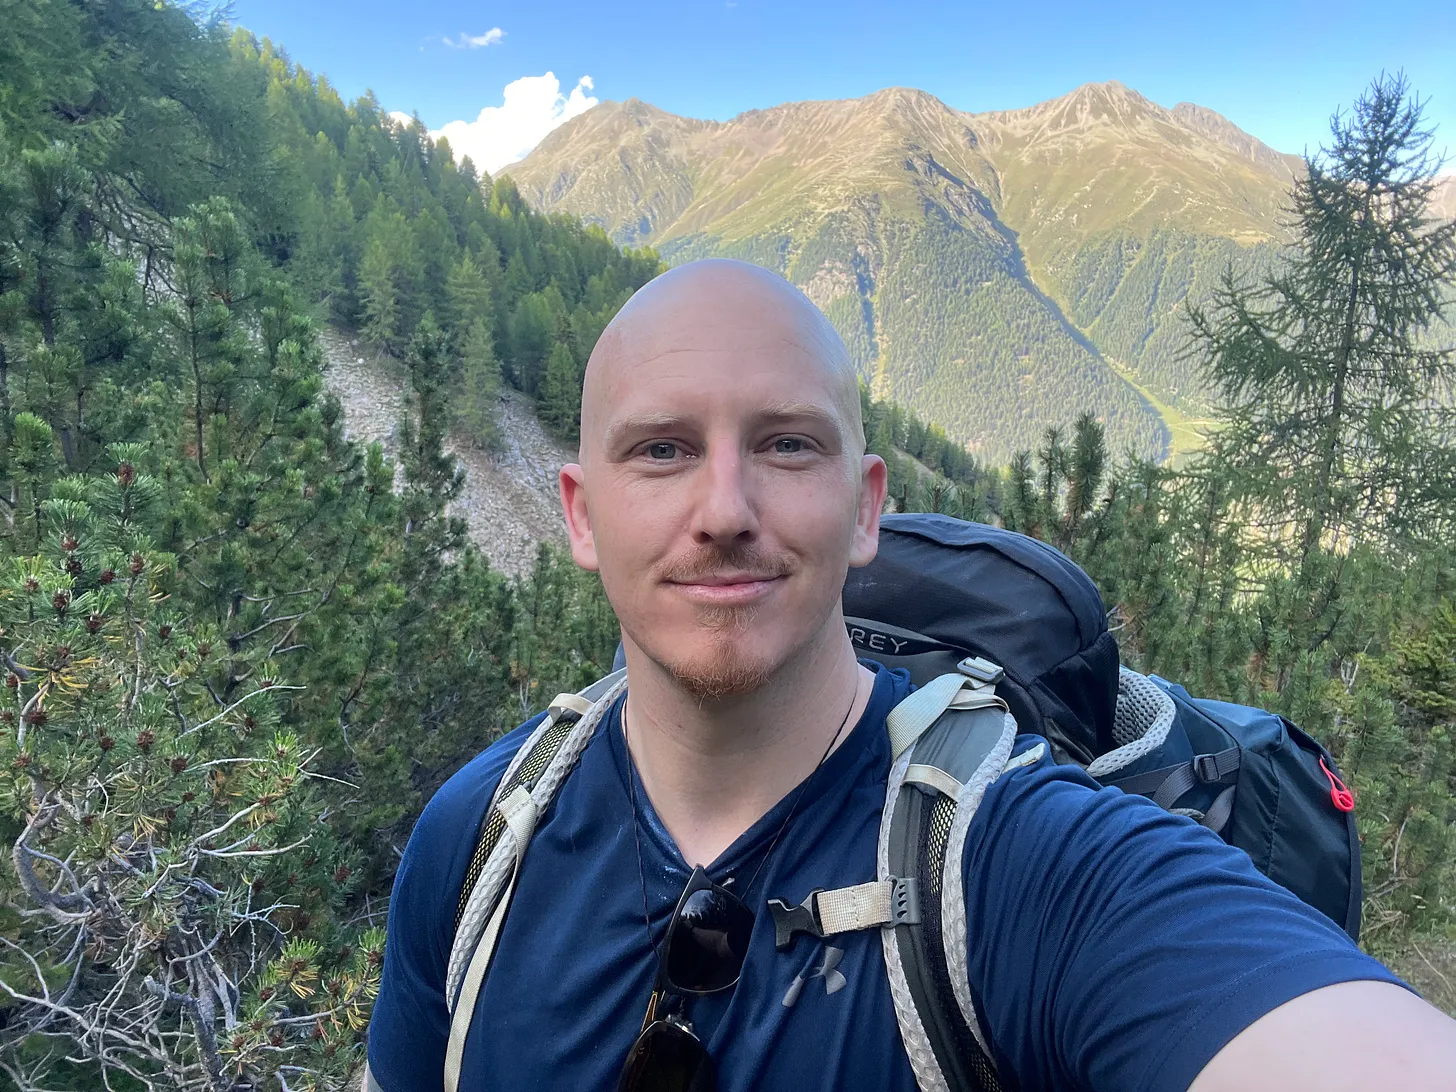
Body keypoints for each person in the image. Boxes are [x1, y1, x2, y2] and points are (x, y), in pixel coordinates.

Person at [364, 258, 1456, 1091]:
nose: (725, 510)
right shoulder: (478, 842)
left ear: (866, 506)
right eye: (662, 450)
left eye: (788, 445)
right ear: (579, 514)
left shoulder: (1018, 865)